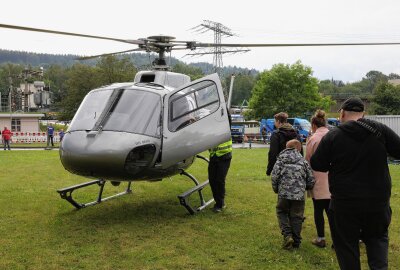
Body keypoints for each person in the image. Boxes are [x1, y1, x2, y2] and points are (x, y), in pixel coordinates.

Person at [310, 97, 400, 270]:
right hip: (377, 203)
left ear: (342, 113)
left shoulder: (334, 135)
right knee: (378, 242)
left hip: (345, 204)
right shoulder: (379, 130)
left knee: (347, 248)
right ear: (363, 114)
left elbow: (317, 163)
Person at [271, 139, 315, 250]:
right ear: (299, 148)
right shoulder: (303, 161)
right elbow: (311, 179)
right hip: (299, 195)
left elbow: (274, 176)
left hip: (284, 193)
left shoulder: (280, 160)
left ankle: (287, 235)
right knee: (297, 216)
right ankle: (296, 241)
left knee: (282, 212)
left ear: (286, 147)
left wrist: (276, 189)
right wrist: (305, 187)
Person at [305, 109, 331, 248]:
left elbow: (307, 161)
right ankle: (338, 238)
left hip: (318, 180)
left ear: (314, 125)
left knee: (318, 210)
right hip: (334, 180)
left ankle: (321, 238)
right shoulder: (334, 135)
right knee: (332, 212)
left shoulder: (313, 139)